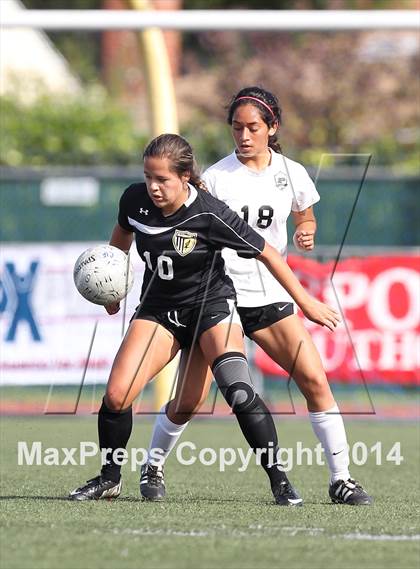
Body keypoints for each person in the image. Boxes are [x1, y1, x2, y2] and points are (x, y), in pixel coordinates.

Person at [69, 133, 340, 504]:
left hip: (211, 308)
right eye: (148, 176)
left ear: (184, 177)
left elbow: (269, 254)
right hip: (159, 310)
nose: (153, 186)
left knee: (238, 391)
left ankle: (279, 481)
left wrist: (305, 302)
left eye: (162, 179)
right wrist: (111, 284)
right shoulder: (135, 199)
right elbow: (121, 235)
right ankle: (110, 478)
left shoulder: (209, 213)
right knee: (117, 395)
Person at [141, 88, 373, 506]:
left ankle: (342, 479)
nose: (244, 136)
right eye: (237, 127)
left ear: (272, 128)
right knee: (191, 399)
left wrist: (308, 229)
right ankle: (152, 465)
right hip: (217, 298)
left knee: (315, 379)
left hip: (268, 295)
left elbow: (303, 211)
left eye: (253, 127)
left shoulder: (292, 172)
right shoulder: (214, 178)